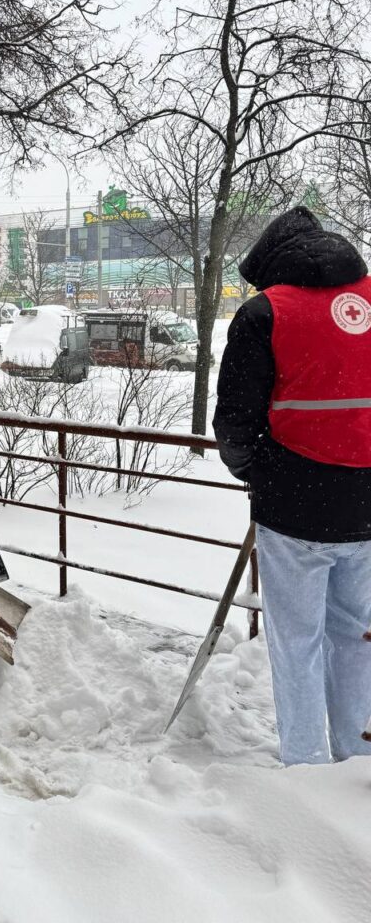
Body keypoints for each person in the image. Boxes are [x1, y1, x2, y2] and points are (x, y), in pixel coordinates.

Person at [213, 206, 371, 766]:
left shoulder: (264, 313)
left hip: (295, 512)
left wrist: (268, 477)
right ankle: (357, 761)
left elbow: (233, 423)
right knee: (356, 641)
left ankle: (304, 769)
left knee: (297, 643)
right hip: (368, 509)